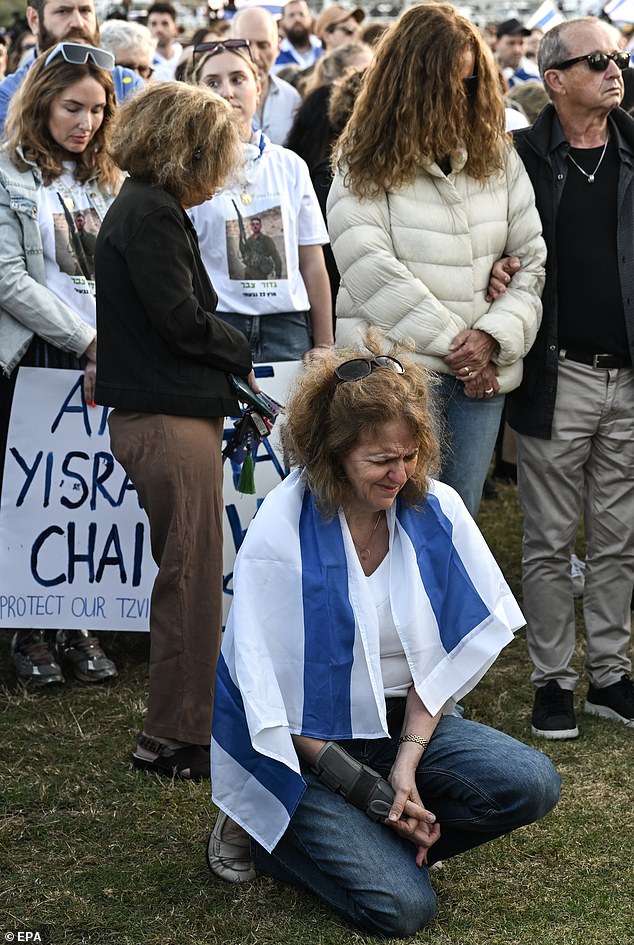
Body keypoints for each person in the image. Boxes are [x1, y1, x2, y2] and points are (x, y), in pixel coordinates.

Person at [207, 336, 561, 937]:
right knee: (405, 909)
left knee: (533, 782)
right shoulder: (281, 531)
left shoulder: (435, 510)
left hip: (401, 724)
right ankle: (262, 828)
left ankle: (370, 837)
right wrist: (370, 794)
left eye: (411, 454)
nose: (402, 474)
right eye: (381, 461)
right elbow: (268, 701)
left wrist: (406, 765)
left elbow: (442, 661)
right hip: (301, 750)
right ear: (334, 453)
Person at [327, 3, 546, 518]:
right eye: (448, 83)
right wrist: (463, 347)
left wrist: (493, 337)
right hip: (395, 378)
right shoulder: (361, 156)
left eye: (471, 84)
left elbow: (531, 259)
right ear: (409, 81)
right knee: (386, 522)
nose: (459, 97)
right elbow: (368, 266)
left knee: (457, 524)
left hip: (479, 377)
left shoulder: (497, 154)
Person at [95, 82, 253, 779]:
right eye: (216, 154)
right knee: (189, 577)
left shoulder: (146, 205)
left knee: (187, 571)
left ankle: (183, 725)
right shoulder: (152, 212)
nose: (222, 169)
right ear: (186, 149)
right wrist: (239, 345)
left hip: (167, 414)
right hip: (166, 417)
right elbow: (180, 319)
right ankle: (174, 735)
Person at [500, 18, 634, 736]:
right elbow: (490, 237)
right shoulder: (521, 156)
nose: (616, 68)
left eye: (619, 56)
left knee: (619, 534)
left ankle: (610, 674)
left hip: (629, 379)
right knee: (550, 539)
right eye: (598, 59)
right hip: (560, 371)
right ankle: (553, 680)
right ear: (555, 80)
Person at [0, 43, 122, 685]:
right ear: (42, 99)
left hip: (110, 352)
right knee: (35, 489)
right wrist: (86, 341)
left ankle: (75, 622)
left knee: (88, 492)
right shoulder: (8, 173)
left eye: (99, 109)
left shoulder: (111, 178)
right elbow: (8, 276)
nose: (87, 122)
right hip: (36, 352)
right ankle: (28, 629)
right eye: (73, 106)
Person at [189, 40, 332, 363]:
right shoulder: (190, 168)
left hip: (287, 326)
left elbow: (311, 259)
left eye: (238, 79)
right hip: (220, 325)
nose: (227, 92)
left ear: (259, 87)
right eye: (213, 82)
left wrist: (324, 343)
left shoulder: (289, 164)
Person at [0, 0, 142, 134]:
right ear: (34, 19)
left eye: (85, 10)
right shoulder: (8, 95)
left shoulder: (127, 86)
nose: (78, 23)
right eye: (63, 11)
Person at [229, 7, 300, 147]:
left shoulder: (291, 98)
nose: (254, 55)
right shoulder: (218, 99)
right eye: (245, 45)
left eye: (263, 45)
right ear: (230, 46)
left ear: (277, 47)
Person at [274, 0, 322, 71]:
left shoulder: (324, 49)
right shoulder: (275, 56)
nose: (297, 19)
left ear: (310, 18)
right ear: (282, 22)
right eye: (291, 15)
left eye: (301, 14)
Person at [495, 18, 541, 88]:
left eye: (521, 43)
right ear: (497, 43)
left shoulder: (535, 75)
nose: (517, 50)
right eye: (511, 43)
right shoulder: (484, 73)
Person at [147, 2, 181, 81]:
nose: (159, 29)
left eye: (165, 24)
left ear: (175, 28)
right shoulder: (142, 62)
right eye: (153, 24)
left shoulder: (184, 57)